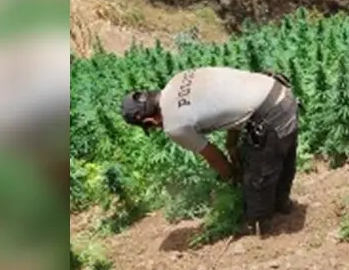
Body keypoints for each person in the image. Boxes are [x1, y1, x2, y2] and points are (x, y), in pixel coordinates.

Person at [120, 67, 299, 236]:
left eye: (151, 128)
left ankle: (258, 225)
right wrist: (231, 145)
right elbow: (231, 99)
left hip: (271, 115)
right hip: (279, 92)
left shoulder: (174, 125)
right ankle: (282, 205)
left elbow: (214, 158)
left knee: (256, 178)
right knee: (281, 159)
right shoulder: (177, 80)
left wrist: (232, 178)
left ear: (150, 121)